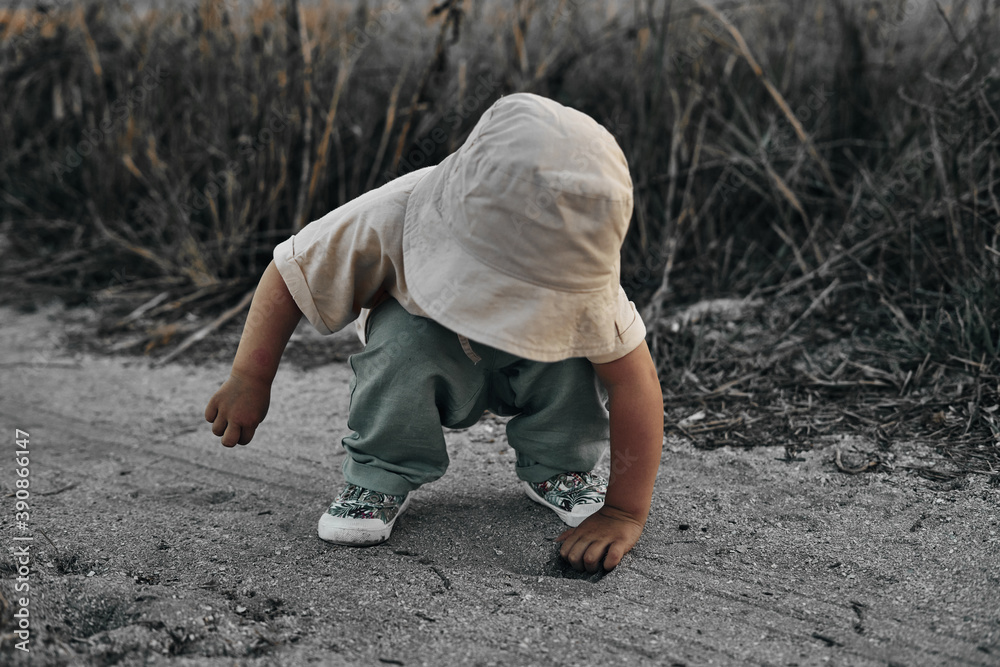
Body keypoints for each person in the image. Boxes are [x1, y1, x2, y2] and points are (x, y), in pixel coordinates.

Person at [204, 93, 663, 573]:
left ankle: (558, 465)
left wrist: (623, 511)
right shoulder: (390, 214)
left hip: (534, 364)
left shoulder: (587, 280)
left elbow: (633, 381)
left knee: (577, 354)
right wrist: (250, 377)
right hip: (429, 347)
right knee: (403, 345)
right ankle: (379, 474)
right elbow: (290, 273)